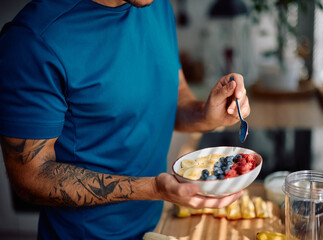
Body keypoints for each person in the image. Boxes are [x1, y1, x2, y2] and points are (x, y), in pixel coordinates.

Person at [0, 0, 250, 239]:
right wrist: (153, 189)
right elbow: (30, 178)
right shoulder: (33, 38)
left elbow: (175, 100)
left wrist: (207, 115)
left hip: (157, 225)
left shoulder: (157, 6)